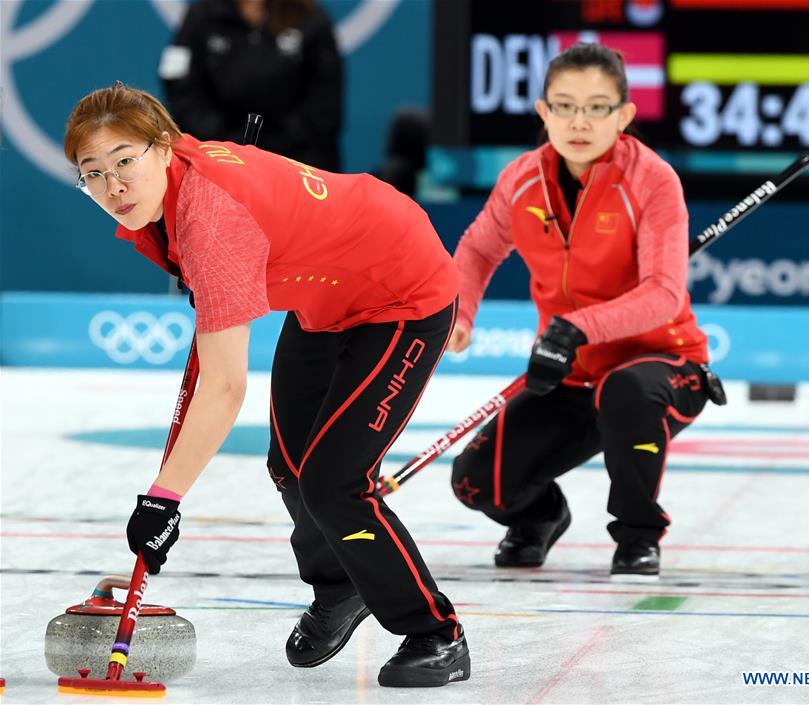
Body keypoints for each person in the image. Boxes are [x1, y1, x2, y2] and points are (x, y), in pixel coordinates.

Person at [63, 83, 469, 688]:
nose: (112, 186)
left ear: (166, 148)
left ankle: (436, 634)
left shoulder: (211, 222)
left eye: (125, 161)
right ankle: (339, 588)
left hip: (401, 289)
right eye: (91, 173)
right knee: (290, 465)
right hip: (325, 300)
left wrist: (163, 499)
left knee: (336, 483)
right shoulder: (180, 191)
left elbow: (225, 388)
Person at [449, 43, 722, 580]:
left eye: (597, 107)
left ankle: (638, 534)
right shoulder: (521, 178)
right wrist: (460, 315)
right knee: (474, 481)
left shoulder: (653, 179)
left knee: (627, 390)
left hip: (664, 365)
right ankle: (540, 517)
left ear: (624, 116)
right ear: (543, 112)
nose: (580, 121)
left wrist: (576, 327)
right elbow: (479, 249)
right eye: (565, 105)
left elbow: (665, 292)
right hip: (572, 370)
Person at [159, 0, 342, 170]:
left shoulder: (310, 18)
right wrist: (222, 139)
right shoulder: (202, 15)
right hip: (217, 156)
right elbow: (178, 81)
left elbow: (325, 102)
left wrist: (273, 145)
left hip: (297, 161)